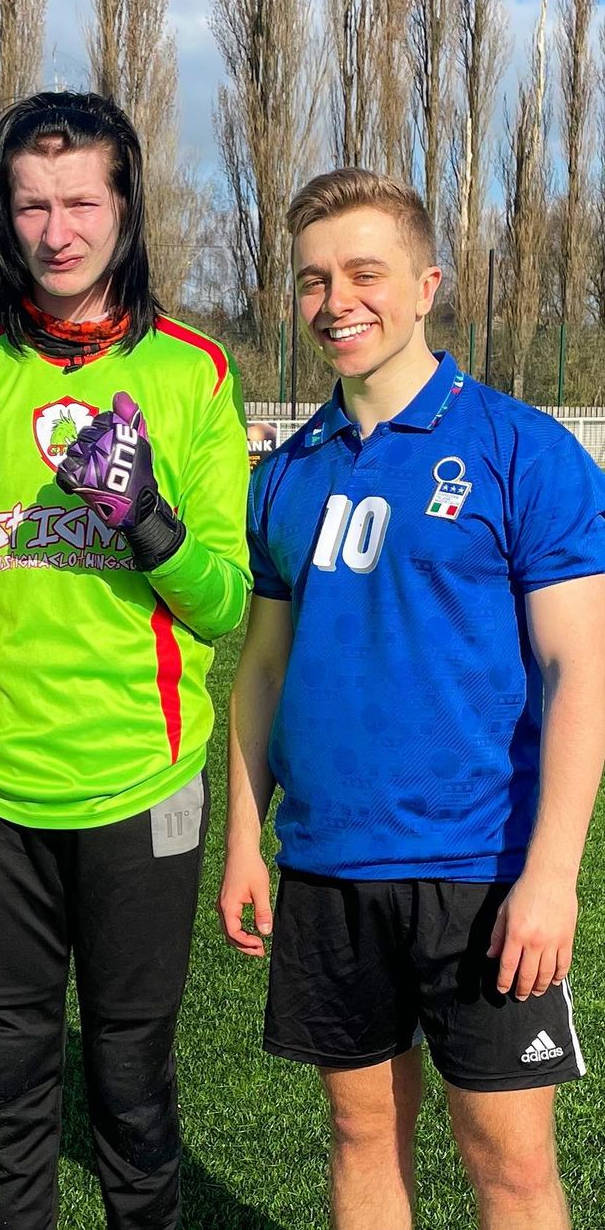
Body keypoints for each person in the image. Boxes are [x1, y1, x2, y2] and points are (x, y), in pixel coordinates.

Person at [220, 168, 605, 1230]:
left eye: (364, 273)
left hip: (480, 869)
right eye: (313, 279)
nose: (336, 301)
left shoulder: (524, 450)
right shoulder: (286, 472)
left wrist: (553, 877)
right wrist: (247, 839)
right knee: (361, 1134)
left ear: (427, 285)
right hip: (329, 867)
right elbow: (262, 670)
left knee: (510, 1163)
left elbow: (580, 672)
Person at [0, 90, 251, 1229]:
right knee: (8, 1077)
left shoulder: (195, 371)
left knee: (130, 1074)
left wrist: (147, 517)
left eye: (81, 202)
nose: (56, 231)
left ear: (126, 208)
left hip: (141, 784)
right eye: (31, 205)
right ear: (1, 215)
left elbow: (223, 603)